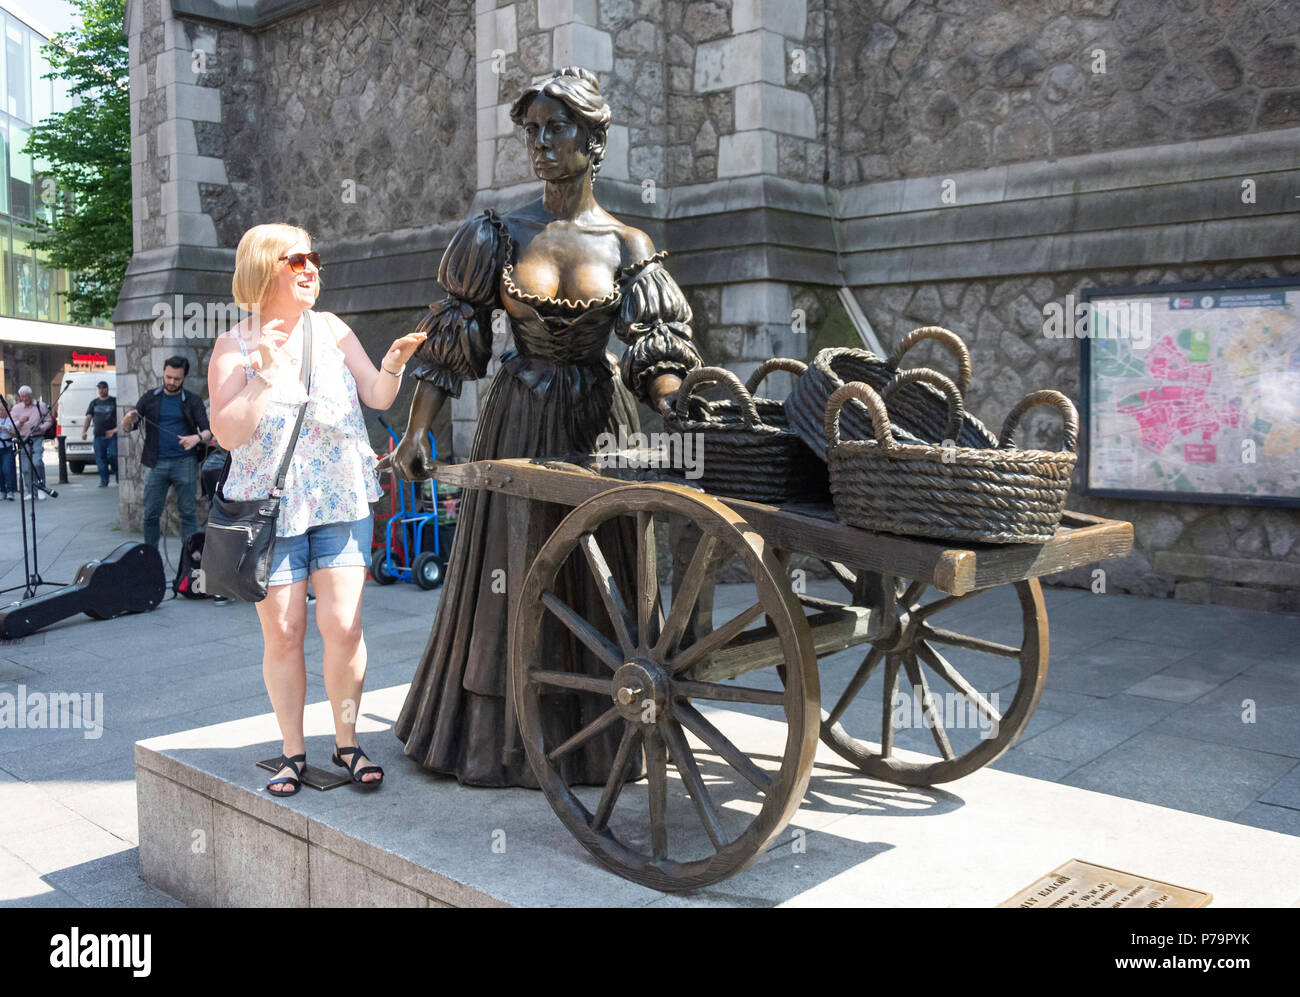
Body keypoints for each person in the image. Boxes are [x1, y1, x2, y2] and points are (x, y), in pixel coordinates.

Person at [385, 67, 703, 787]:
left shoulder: (626, 242)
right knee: (509, 572)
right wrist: (415, 434)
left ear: (595, 141)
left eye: (557, 128)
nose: (540, 142)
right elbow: (451, 339)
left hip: (599, 423)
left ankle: (596, 733)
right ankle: (498, 738)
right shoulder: (497, 232)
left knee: (600, 573)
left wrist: (675, 401)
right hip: (520, 417)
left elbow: (654, 348)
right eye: (531, 129)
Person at [207, 223, 425, 797]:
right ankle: (292, 751)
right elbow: (227, 434)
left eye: (314, 258)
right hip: (271, 508)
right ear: (262, 268)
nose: (311, 268)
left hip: (341, 497)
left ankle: (348, 743)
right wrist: (265, 378)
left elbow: (376, 395)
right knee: (284, 633)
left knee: (344, 628)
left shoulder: (331, 329)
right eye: (296, 259)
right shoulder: (234, 345)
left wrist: (395, 364)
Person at [119, 357, 212, 547]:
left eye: (177, 379)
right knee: (151, 513)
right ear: (163, 372)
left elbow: (208, 430)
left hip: (185, 462)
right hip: (156, 463)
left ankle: (188, 560)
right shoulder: (150, 398)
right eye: (168, 377)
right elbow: (129, 427)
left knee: (187, 513)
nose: (171, 382)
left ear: (184, 377)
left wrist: (196, 438)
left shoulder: (192, 401)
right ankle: (149, 559)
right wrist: (127, 420)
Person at [10, 386, 53, 498]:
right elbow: (12, 427)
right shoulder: (16, 408)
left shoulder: (40, 406)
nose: (24, 398)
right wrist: (20, 421)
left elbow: (49, 421)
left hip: (37, 437)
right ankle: (30, 491)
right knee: (25, 467)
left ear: (31, 395)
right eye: (22, 396)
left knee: (37, 462)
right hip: (23, 439)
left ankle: (41, 488)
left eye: (26, 396)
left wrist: (42, 428)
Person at [82, 380, 119, 487]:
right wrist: (84, 431)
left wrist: (115, 430)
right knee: (100, 459)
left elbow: (121, 417)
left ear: (107, 389)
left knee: (114, 456)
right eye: (99, 388)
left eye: (103, 388)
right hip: (98, 437)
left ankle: (118, 477)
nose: (101, 390)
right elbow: (88, 418)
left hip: (112, 435)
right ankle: (104, 481)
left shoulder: (114, 401)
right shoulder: (94, 403)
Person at [0, 407, 16, 499]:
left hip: (7, 448)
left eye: (2, 410)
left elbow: (14, 434)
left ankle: (10, 490)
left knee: (7, 469)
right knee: (0, 471)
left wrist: (6, 430)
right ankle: (2, 490)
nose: (1, 412)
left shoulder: (10, 420)